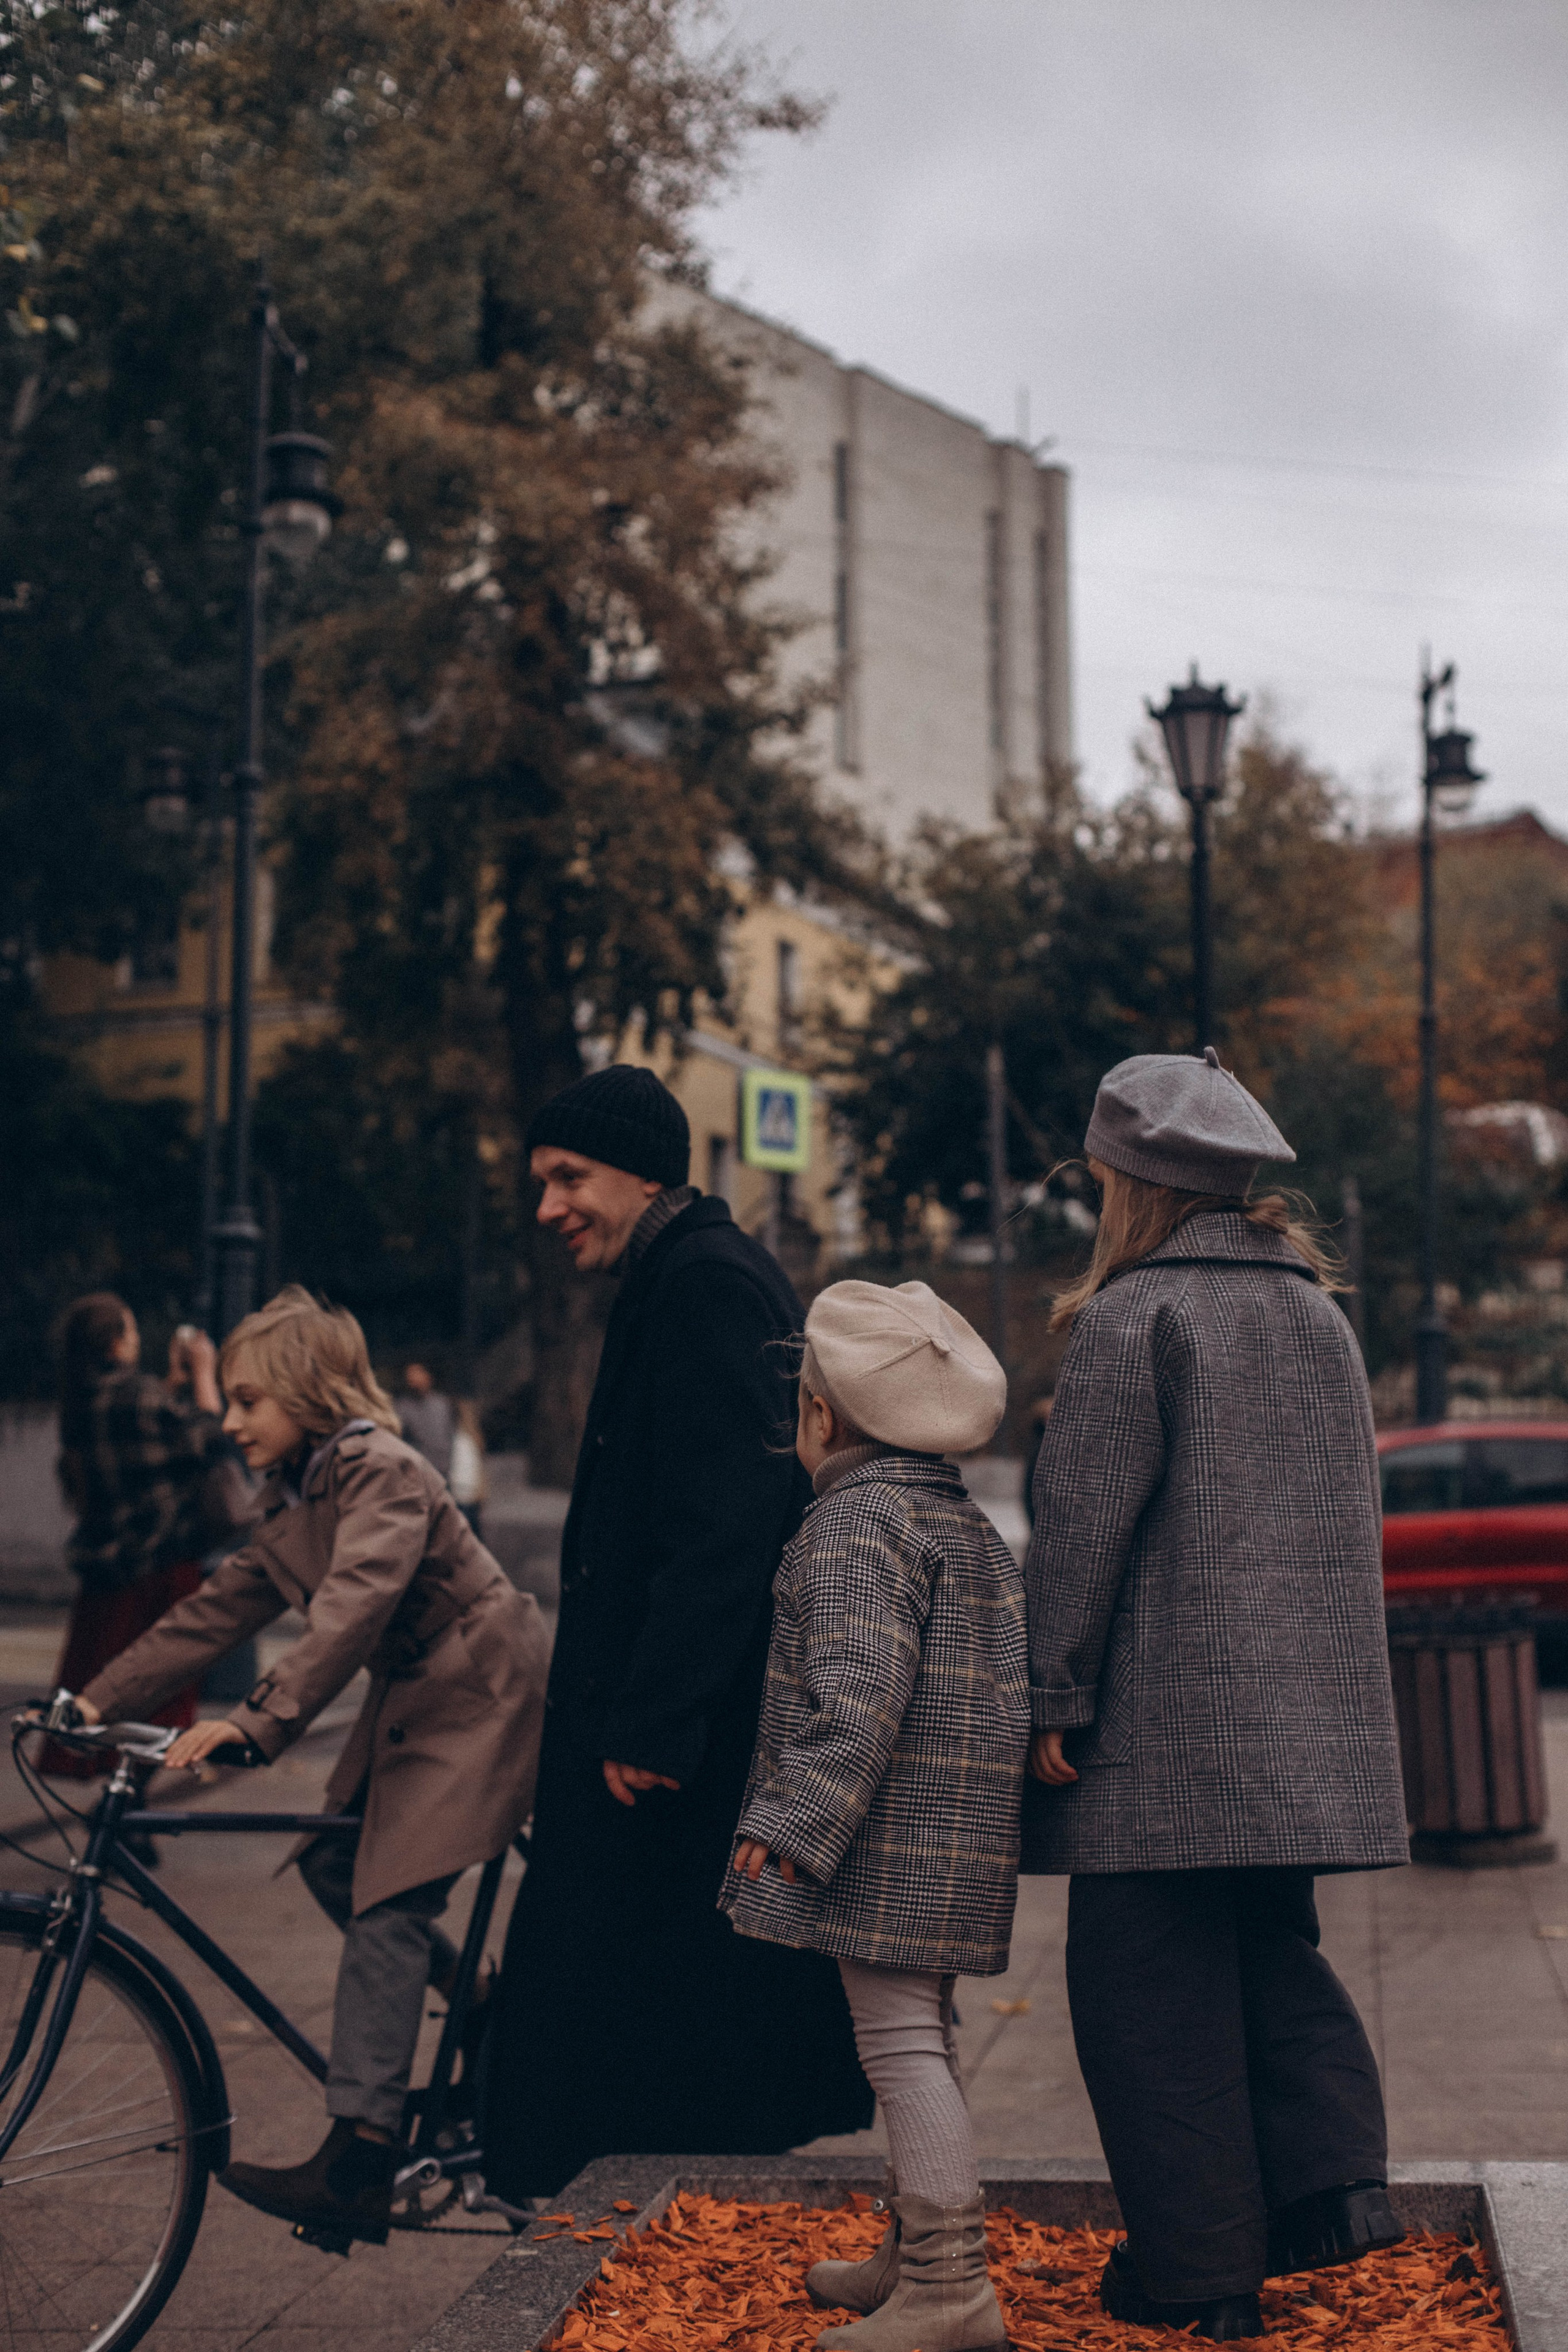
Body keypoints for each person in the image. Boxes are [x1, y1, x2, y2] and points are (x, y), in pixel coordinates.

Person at [1023, 1050, 1409, 2343]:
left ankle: (1195, 2281)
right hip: (1290, 1732)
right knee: (1265, 1951)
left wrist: (1050, 1695)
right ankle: (1324, 2183)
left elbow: (1080, 1536)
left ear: (1127, 1182)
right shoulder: (1315, 1315)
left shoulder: (1138, 1319)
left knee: (1144, 1997)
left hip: (1157, 1733)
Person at [67, 1286, 549, 2247]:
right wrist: (91, 1701)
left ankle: (362, 2155)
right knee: (334, 1864)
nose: (230, 1418)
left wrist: (259, 1722)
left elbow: (357, 1603)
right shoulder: (297, 1497)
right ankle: (486, 2008)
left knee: (389, 1897)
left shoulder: (381, 1471)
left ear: (311, 1393)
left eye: (249, 1400)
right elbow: (212, 1612)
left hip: (480, 1688)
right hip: (423, 1690)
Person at [486, 1062, 871, 2198]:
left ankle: (635, 2240)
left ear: (643, 1171)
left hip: (668, 1755)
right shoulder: (686, 1272)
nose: (548, 1206)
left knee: (647, 2027)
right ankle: (631, 2221)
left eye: (570, 1178)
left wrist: (654, 1725)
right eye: (542, 1181)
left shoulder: (703, 1282)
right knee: (650, 2031)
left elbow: (726, 1527)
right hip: (663, 1736)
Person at [725, 1280, 1025, 2352]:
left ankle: (951, 2288)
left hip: (890, 1835)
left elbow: (857, 1694)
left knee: (901, 2048)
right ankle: (916, 2254)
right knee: (922, 2035)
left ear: (820, 1417)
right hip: (954, 1833)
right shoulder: (959, 1520)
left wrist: (794, 1819)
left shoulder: (855, 1522)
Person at [50, 1294, 236, 1779]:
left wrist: (168, 1385)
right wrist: (202, 1375)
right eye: (132, 1332)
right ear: (115, 1343)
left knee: (108, 1694)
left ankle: (118, 1808)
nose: (137, 1341)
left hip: (107, 1570)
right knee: (161, 1695)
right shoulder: (139, 1394)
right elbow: (213, 1438)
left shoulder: (80, 1400)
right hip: (161, 1563)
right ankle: (131, 1809)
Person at [396, 1361, 455, 1480]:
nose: (413, 1379)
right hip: (419, 1472)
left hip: (444, 1469)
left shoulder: (442, 1403)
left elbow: (450, 1434)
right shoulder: (402, 1407)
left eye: (417, 1374)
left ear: (427, 1376)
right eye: (410, 1376)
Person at [448, 1397, 486, 1536]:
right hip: (463, 1492)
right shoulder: (465, 1439)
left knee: (467, 1533)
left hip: (464, 1492)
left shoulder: (464, 1440)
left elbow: (476, 1469)